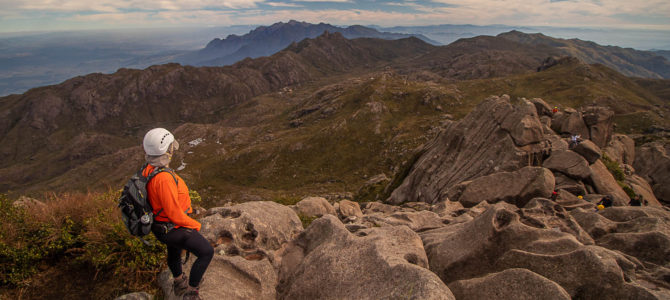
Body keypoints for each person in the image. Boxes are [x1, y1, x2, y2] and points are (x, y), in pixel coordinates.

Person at [142, 128, 213, 300]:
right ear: (167, 150)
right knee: (206, 252)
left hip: (161, 226)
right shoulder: (164, 178)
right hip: (172, 227)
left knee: (174, 251)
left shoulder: (149, 169)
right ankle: (191, 292)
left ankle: (179, 281)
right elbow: (173, 213)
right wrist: (194, 225)